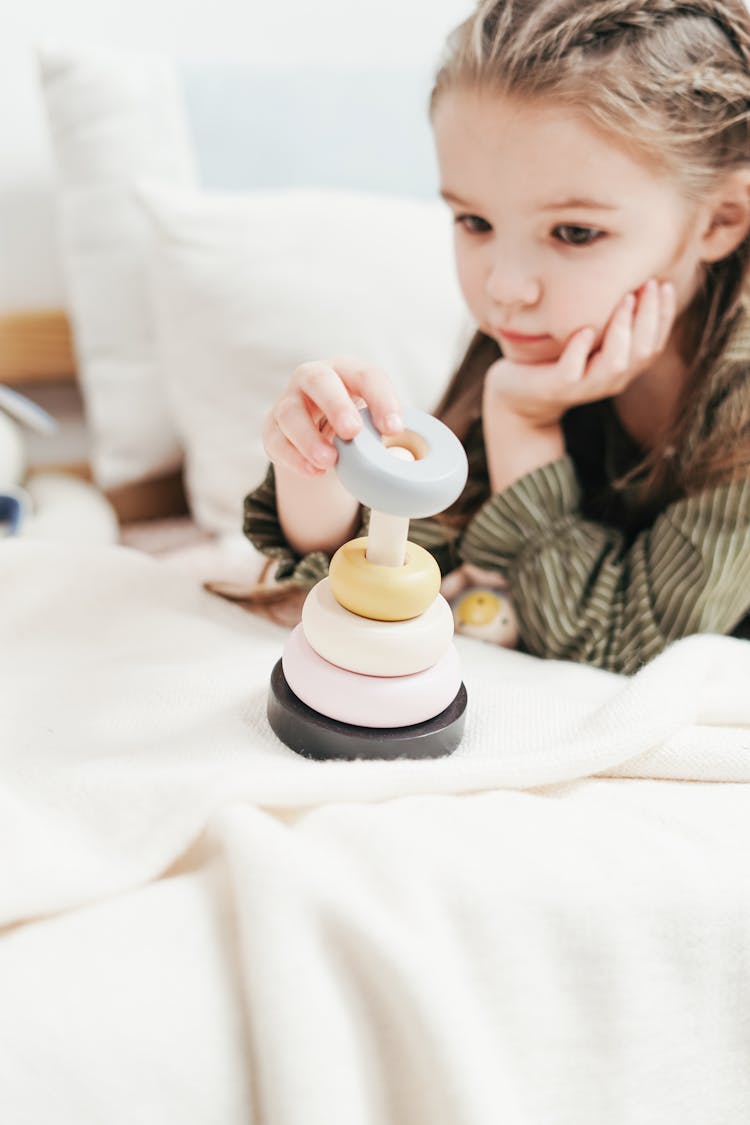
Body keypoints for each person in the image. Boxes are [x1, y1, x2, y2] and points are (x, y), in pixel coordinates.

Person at [243, 0, 750, 675]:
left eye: (574, 233)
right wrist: (318, 468)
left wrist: (525, 425)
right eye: (475, 222)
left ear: (722, 218)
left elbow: (623, 650)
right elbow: (372, 594)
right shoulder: (550, 339)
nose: (505, 287)